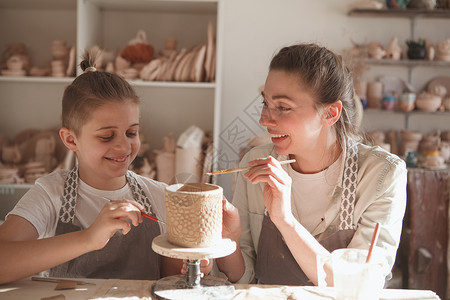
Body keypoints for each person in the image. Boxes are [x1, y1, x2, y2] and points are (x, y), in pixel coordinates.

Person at [215, 43, 407, 286]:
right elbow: (244, 278)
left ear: (330, 113)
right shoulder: (255, 165)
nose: (264, 120)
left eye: (282, 107)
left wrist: (285, 220)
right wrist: (228, 239)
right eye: (265, 104)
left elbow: (359, 284)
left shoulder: (382, 175)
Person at [0, 50, 182, 284]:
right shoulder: (50, 194)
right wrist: (88, 238)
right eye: (107, 137)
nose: (124, 146)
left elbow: (169, 277)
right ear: (71, 140)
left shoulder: (158, 195)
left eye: (131, 133)